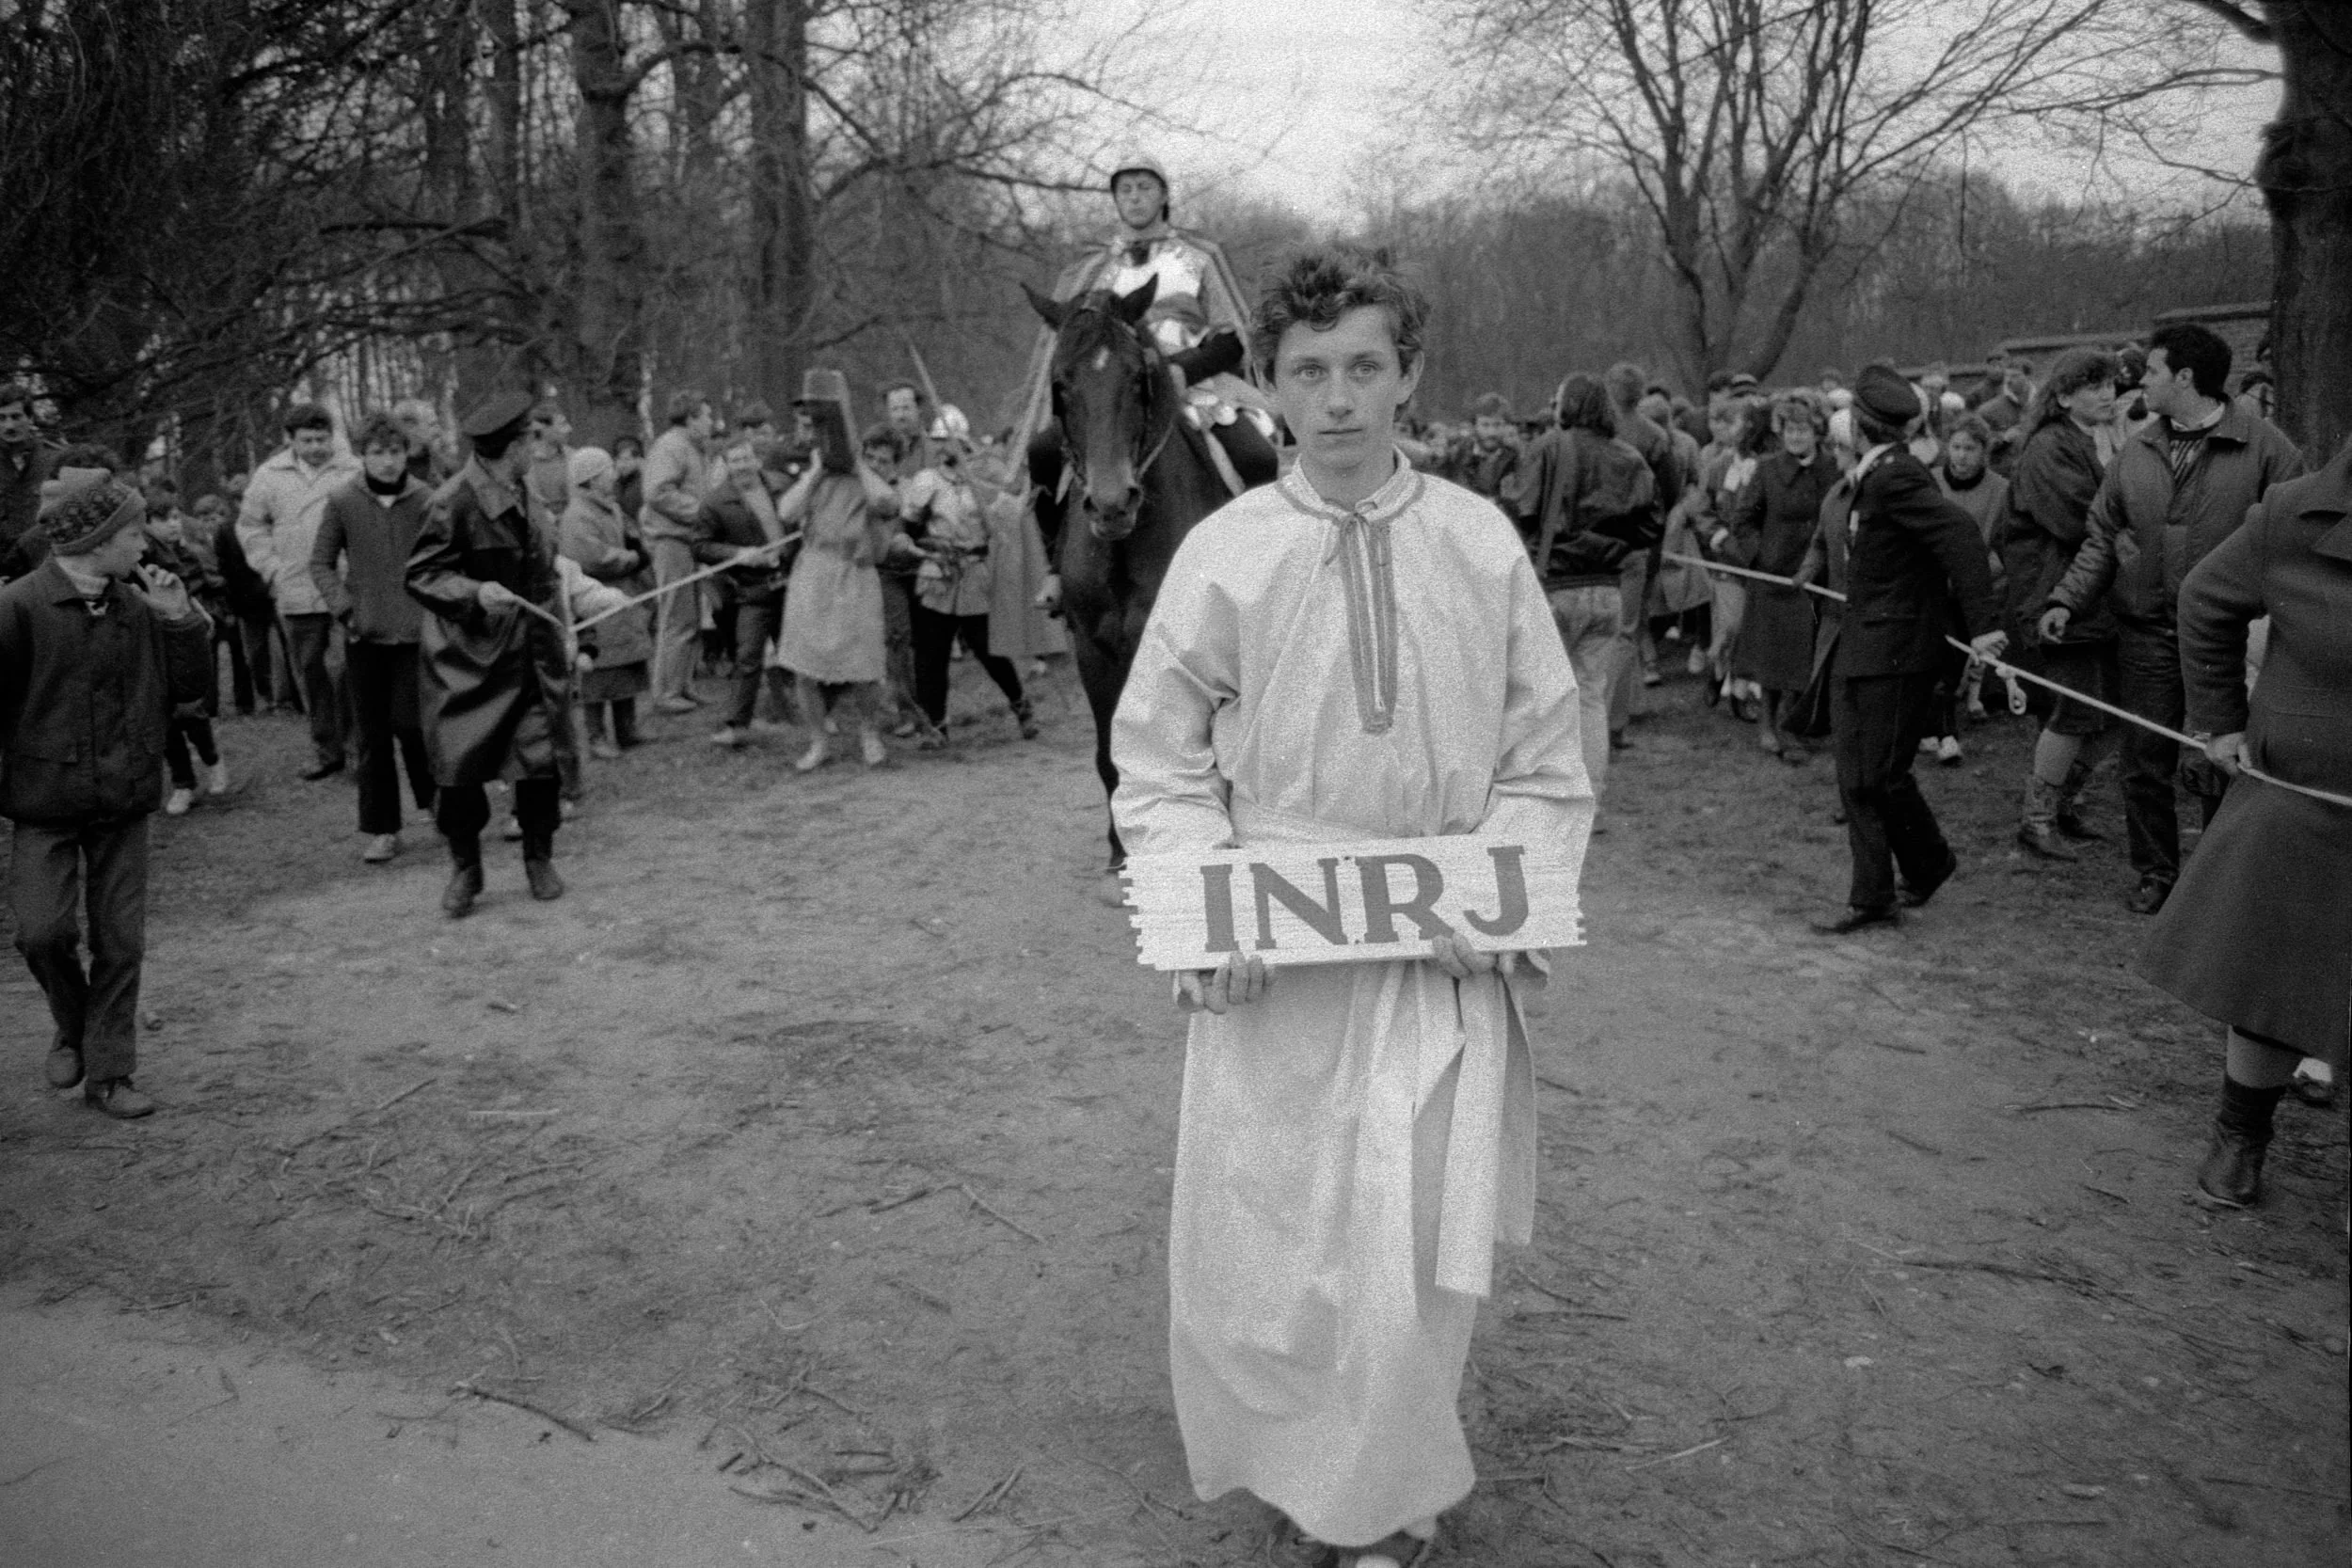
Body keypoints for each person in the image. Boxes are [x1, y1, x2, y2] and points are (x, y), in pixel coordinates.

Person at [1111, 245, 1592, 1568]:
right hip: (1278, 956)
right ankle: (1312, 1470)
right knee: (1273, 1246)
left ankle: (1384, 1510)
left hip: (1434, 959)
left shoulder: (1476, 542)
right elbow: (1155, 756)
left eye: (1364, 368)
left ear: (1409, 377)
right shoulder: (1228, 551)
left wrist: (1499, 889)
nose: (1337, 401)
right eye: (1309, 372)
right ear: (1267, 383)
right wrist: (1204, 917)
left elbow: (1548, 754)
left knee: (1402, 1238)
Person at [2140, 435, 2351, 1208]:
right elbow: (2203, 597)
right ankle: (2240, 1134)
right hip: (2300, 802)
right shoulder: (2296, 514)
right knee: (2272, 978)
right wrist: (2220, 720)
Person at [2041, 322, 2303, 913]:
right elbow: (2102, 535)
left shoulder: (2268, 449)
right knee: (2144, 760)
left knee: (2221, 758)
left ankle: (2216, 880)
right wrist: (2066, 599)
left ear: (2184, 378)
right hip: (2146, 632)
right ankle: (2155, 872)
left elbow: (2292, 542)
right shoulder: (2138, 447)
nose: (2141, 381)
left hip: (2227, 639)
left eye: (2152, 370)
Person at [2, 480, 214, 1118]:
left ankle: (110, 1071)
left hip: (123, 797)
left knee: (121, 940)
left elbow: (193, 692)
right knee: (42, 933)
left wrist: (179, 620)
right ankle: (74, 1024)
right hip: (44, 798)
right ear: (95, 542)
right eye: (132, 532)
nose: (143, 543)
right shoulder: (18, 606)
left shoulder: (140, 604)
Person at [405, 391, 626, 917]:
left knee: (540, 765)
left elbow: (548, 570)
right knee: (459, 774)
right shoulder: (452, 501)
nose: (539, 444)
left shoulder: (525, 492)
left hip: (531, 653)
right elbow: (421, 575)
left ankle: (539, 857)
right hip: (466, 660)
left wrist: (579, 621)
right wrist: (474, 593)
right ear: (513, 446)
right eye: (531, 437)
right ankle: (466, 869)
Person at [1813, 364, 2005, 934]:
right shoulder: (1876, 475)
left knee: (1880, 777)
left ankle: (1927, 864)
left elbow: (1961, 536)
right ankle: (1876, 893)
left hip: (1896, 652)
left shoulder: (1896, 477)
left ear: (1860, 426)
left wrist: (1983, 628)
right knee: (1858, 777)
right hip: (1864, 642)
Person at [1510, 372, 1652, 817]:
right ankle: (1588, 800)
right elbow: (1649, 526)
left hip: (1555, 586)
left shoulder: (1549, 447)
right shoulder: (1630, 458)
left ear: (1566, 406)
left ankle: (1541, 797)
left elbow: (1523, 510)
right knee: (1591, 696)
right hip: (1608, 590)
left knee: (1539, 697)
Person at [2001, 349, 2123, 859]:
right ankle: (2037, 819)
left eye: (2109, 384)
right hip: (2056, 600)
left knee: (2111, 713)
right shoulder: (2050, 448)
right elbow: (2081, 522)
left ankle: (2063, 803)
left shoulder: (2091, 440)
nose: (2106, 394)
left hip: (2093, 601)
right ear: (2063, 395)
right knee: (2075, 711)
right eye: (2091, 386)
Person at [312, 412, 437, 863]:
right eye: (377, 453)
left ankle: (434, 799)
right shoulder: (344, 500)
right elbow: (321, 563)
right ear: (362, 456)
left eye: (396, 452)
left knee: (412, 724)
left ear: (408, 454)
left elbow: (440, 559)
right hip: (364, 636)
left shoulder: (425, 499)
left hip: (415, 633)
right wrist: (345, 608)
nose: (387, 462)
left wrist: (432, 606)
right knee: (373, 734)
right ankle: (383, 828)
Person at [773, 369, 908, 772]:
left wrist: (861, 469)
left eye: (886, 461)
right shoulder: (822, 478)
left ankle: (869, 734)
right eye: (872, 456)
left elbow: (889, 504)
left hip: (858, 573)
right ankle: (818, 740)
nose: (879, 464)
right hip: (814, 568)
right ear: (861, 450)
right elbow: (786, 512)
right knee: (804, 665)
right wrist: (817, 470)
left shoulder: (877, 486)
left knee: (865, 664)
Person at [238, 403, 360, 780]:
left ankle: (358, 751)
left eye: (322, 439)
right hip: (295, 588)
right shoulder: (269, 475)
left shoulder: (352, 470)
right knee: (310, 672)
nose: (316, 448)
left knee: (347, 669)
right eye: (307, 440)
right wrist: (272, 570)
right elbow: (251, 527)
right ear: (290, 440)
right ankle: (326, 750)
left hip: (344, 588)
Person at [899, 419, 1037, 742]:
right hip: (937, 573)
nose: (947, 447)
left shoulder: (982, 481)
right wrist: (926, 551)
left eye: (953, 441)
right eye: (940, 441)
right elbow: (909, 532)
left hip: (974, 574)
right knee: (931, 655)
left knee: (990, 650)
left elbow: (1003, 525)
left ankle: (1021, 705)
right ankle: (936, 725)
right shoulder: (926, 481)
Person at [1723, 390, 1838, 761]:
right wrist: (1762, 557)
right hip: (1774, 578)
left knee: (1804, 654)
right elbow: (1742, 520)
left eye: (1803, 430)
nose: (1796, 437)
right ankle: (1768, 724)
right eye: (1789, 430)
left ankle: (1794, 722)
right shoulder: (1767, 470)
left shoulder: (1831, 469)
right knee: (1772, 656)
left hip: (1815, 577)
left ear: (1816, 431)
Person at [694, 435, 795, 749]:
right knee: (748, 655)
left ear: (757, 460)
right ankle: (738, 725)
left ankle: (814, 713)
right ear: (726, 465)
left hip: (791, 582)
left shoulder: (781, 486)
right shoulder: (714, 501)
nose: (742, 466)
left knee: (799, 653)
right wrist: (736, 554)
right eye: (734, 460)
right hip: (752, 590)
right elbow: (699, 546)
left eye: (746, 459)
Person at [1602, 361, 1681, 748]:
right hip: (1637, 543)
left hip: (1593, 545)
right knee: (1627, 629)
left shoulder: (1591, 431)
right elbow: (1670, 489)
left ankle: (1599, 715)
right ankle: (1614, 721)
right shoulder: (1654, 435)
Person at [139, 478, 230, 815]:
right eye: (164, 519)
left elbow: (195, 594)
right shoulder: (140, 558)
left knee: (191, 709)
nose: (174, 524)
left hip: (187, 641)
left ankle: (212, 759)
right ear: (146, 525)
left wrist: (204, 614)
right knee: (163, 717)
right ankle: (182, 782)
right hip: (154, 642)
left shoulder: (188, 556)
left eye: (177, 517)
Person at [559, 446, 653, 758]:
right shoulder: (577, 515)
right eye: (607, 470)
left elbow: (627, 538)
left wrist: (636, 547)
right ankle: (596, 736)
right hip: (596, 602)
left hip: (621, 598)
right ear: (591, 478)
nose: (613, 474)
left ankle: (627, 729)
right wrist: (631, 558)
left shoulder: (609, 507)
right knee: (598, 675)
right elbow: (593, 557)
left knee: (625, 668)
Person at [641, 388, 717, 714]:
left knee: (690, 618)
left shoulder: (692, 448)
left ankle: (683, 685)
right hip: (670, 542)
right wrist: (701, 512)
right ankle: (665, 694)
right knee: (675, 618)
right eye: (707, 415)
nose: (712, 422)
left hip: (688, 541)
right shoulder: (671, 446)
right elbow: (657, 492)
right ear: (691, 418)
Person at [1933, 414, 2009, 728]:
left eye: (1970, 448)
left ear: (1983, 452)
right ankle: (1940, 723)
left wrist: (1977, 576)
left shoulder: (2001, 490)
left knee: (1970, 647)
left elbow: (2002, 544)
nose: (1962, 455)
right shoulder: (1932, 481)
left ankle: (1973, 695)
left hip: (1980, 582)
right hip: (1937, 582)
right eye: (1956, 447)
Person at [0, 380, 56, 582]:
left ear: (30, 418)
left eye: (16, 417)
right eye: (2, 418)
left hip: (43, 570)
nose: (9, 425)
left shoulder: (52, 461)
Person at [391, 398, 453, 487]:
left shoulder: (445, 467)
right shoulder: (386, 472)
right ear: (410, 428)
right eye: (432, 425)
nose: (438, 431)